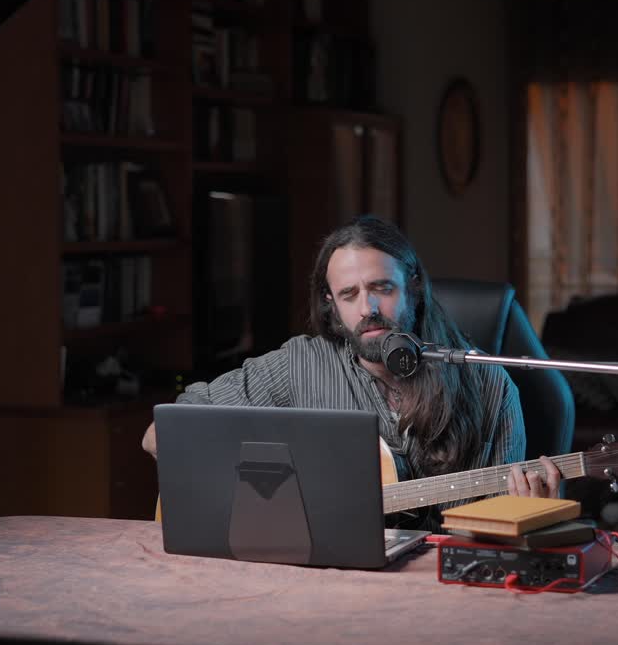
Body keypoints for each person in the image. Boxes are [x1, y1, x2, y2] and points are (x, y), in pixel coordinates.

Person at [141, 215, 560, 529]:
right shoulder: (299, 365)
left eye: (382, 288)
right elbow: (166, 431)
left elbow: (498, 533)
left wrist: (532, 510)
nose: (367, 308)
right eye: (349, 294)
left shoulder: (487, 386)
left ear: (412, 286)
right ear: (331, 304)